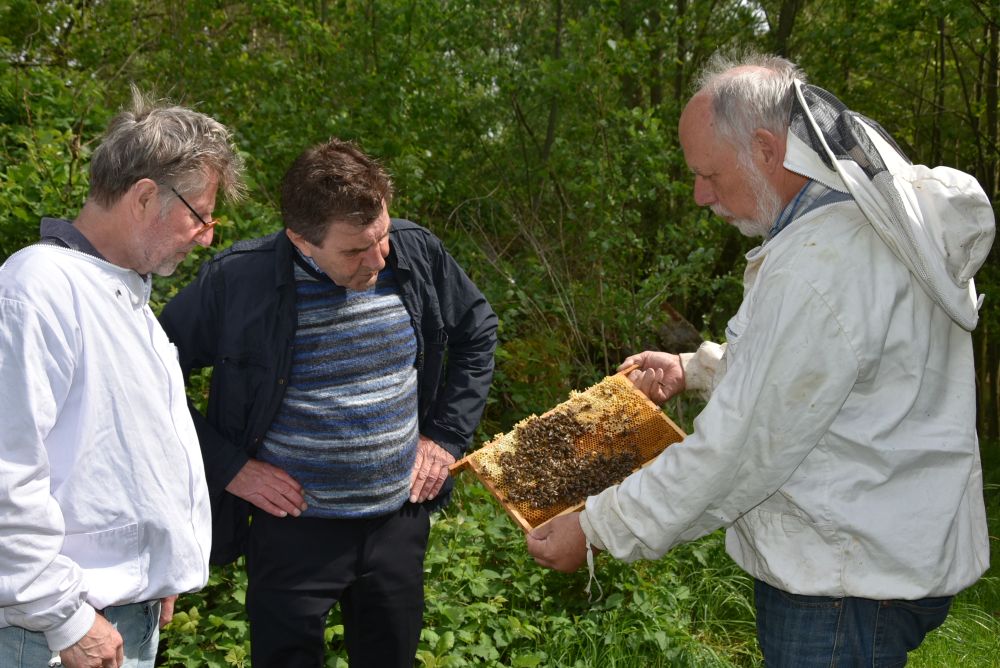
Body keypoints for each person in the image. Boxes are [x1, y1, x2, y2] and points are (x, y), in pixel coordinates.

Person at [527, 50, 994, 665]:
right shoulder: (854, 235)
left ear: (768, 151)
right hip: (871, 564)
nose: (699, 195)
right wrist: (692, 369)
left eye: (710, 174)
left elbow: (741, 446)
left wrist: (597, 529)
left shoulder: (821, 267)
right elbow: (815, 383)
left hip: (838, 590)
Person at [159, 137, 498, 667]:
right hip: (292, 534)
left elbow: (478, 333)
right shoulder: (237, 280)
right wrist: (230, 468)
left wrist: (446, 436)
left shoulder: (416, 251)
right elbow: (152, 376)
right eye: (354, 250)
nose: (378, 259)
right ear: (301, 239)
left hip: (397, 523)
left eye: (381, 237)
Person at [0, 86, 245, 668]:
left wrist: (155, 564)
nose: (208, 234)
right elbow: (6, 475)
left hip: (112, 621)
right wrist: (65, 616)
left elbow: (115, 463)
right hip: (56, 635)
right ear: (143, 197)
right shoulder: (38, 288)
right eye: (200, 214)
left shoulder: (124, 300)